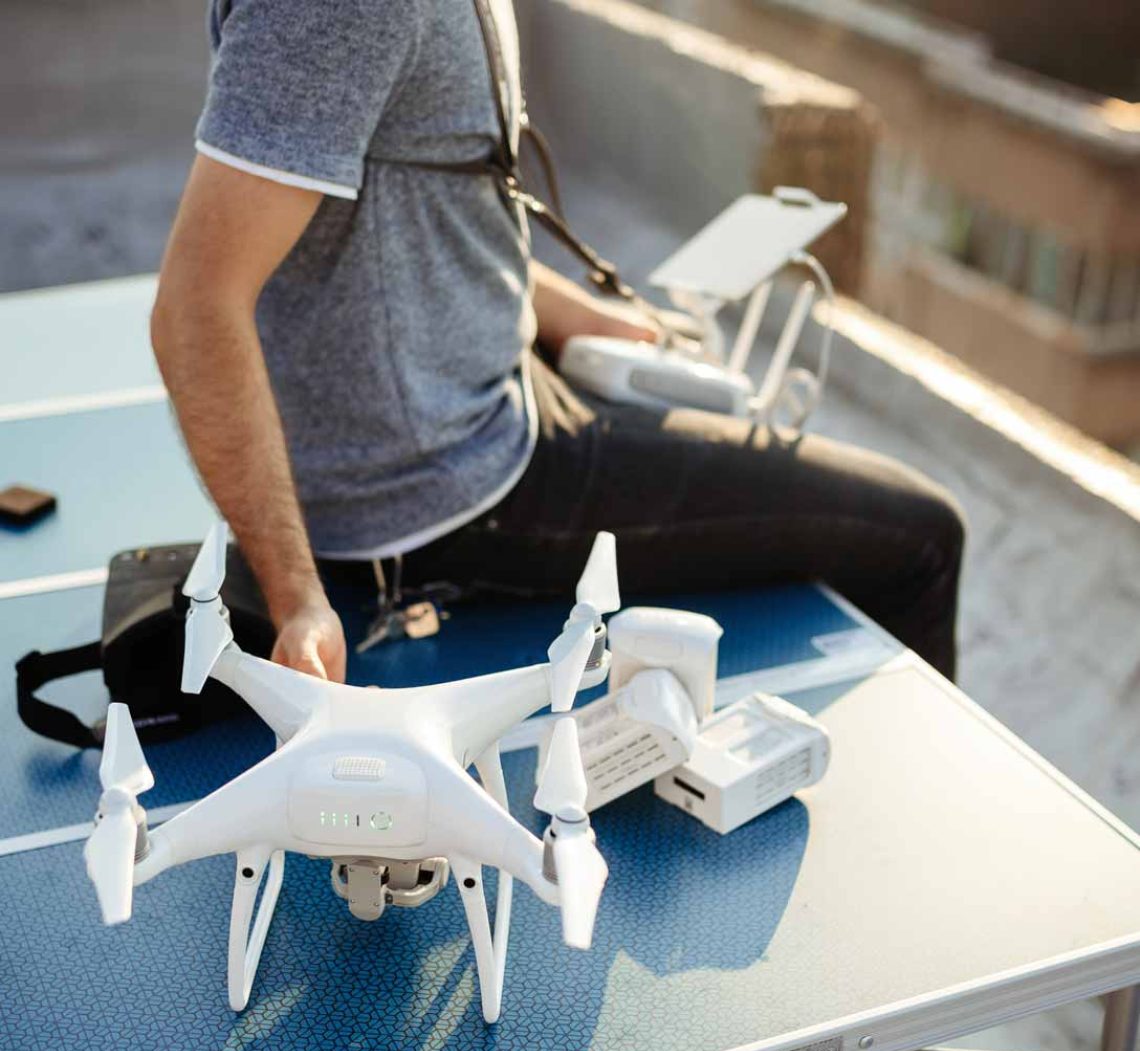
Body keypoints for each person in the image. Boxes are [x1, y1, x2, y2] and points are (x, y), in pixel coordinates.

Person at [152, 0, 965, 688]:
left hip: (484, 395)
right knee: (921, 537)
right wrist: (296, 594)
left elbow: (419, 207)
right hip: (445, 486)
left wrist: (576, 312)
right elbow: (197, 305)